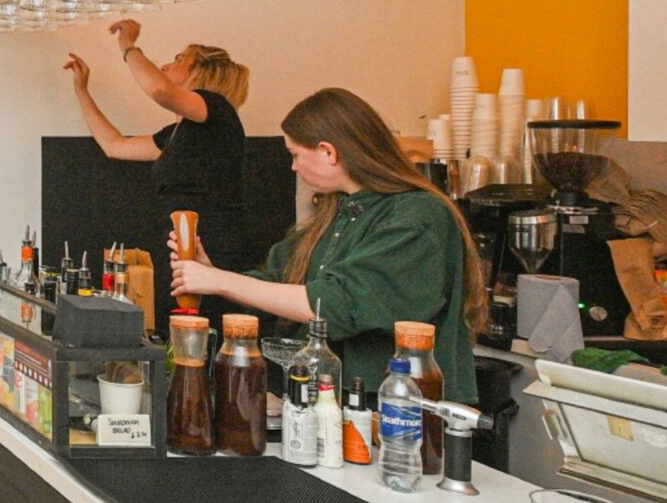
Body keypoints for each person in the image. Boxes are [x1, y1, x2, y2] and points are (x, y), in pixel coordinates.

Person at [168, 87, 482, 401]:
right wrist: (210, 272)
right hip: (334, 399)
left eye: (295, 155)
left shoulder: (418, 216)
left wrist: (219, 281)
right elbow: (280, 282)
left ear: (329, 152)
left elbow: (335, 305)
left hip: (402, 406)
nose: (293, 167)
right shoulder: (337, 214)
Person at [64, 20, 253, 270]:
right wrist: (82, 91)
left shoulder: (217, 109)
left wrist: (127, 44)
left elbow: (158, 89)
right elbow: (115, 145)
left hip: (211, 252)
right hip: (182, 249)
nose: (165, 65)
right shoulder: (178, 135)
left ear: (199, 71)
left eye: (179, 59)